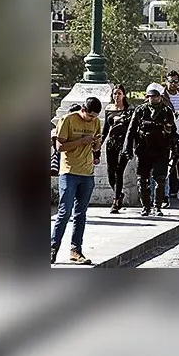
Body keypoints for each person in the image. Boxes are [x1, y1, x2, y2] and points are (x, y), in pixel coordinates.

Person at [51, 96, 103, 264]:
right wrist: (81, 141)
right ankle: (53, 248)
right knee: (64, 211)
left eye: (95, 117)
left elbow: (96, 146)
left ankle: (76, 250)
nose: (92, 120)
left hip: (87, 173)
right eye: (90, 116)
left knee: (81, 214)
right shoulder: (68, 120)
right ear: (83, 110)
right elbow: (60, 147)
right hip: (69, 171)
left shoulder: (96, 122)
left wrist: (95, 144)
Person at [123, 84, 178, 217]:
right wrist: (128, 148)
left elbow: (173, 132)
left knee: (160, 179)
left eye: (155, 96)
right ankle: (146, 206)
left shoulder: (166, 111)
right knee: (143, 180)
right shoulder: (140, 110)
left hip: (161, 149)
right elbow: (131, 130)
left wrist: (175, 148)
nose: (152, 99)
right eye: (150, 97)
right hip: (144, 149)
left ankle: (157, 206)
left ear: (160, 97)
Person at [100, 85, 132, 214]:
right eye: (115, 94)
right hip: (111, 143)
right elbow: (105, 130)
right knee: (110, 173)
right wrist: (98, 144)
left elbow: (132, 129)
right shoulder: (109, 108)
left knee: (119, 171)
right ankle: (119, 193)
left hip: (123, 143)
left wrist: (131, 145)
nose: (116, 96)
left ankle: (116, 200)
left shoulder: (129, 110)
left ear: (124, 95)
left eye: (119, 93)